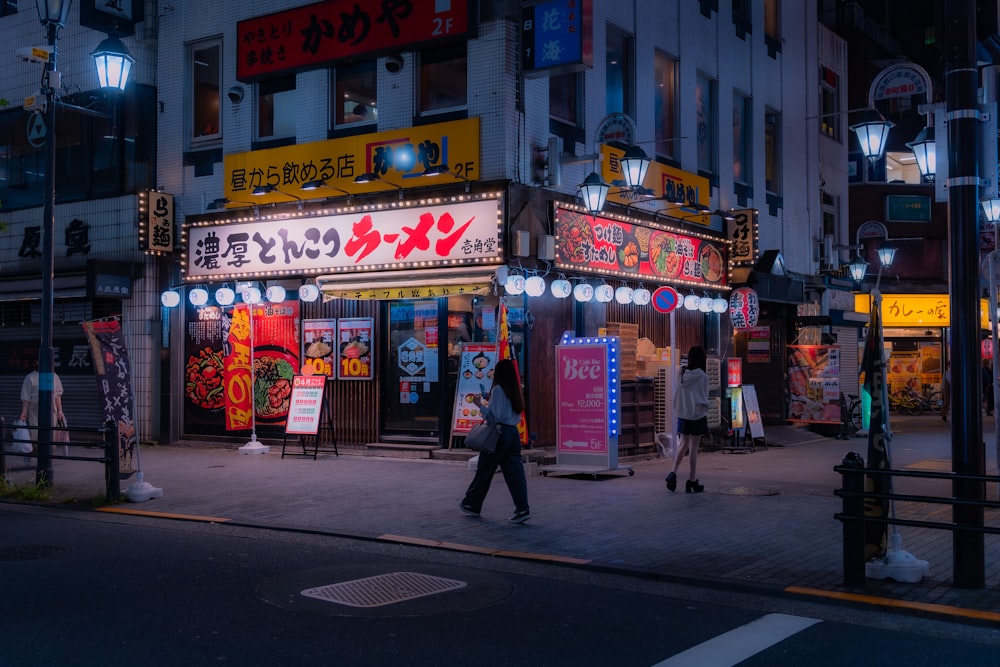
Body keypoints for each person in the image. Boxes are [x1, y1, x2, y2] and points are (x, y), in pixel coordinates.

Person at [460, 358, 530, 524]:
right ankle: (522, 508)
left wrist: (479, 404)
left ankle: (471, 504)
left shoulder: (498, 390)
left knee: (485, 469)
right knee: (515, 474)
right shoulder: (515, 390)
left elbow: (493, 417)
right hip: (513, 434)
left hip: (499, 434)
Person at [666, 346, 709, 493]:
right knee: (693, 448)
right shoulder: (703, 376)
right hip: (697, 415)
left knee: (683, 444)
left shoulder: (682, 374)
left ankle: (673, 472)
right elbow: (704, 396)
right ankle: (692, 480)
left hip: (683, 415)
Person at [19, 362, 65, 448]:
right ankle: (38, 448)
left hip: (51, 408)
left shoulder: (54, 376)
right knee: (35, 429)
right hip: (35, 408)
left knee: (51, 429)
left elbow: (58, 395)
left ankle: (50, 449)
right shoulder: (30, 377)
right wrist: (24, 411)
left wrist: (60, 410)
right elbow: (26, 397)